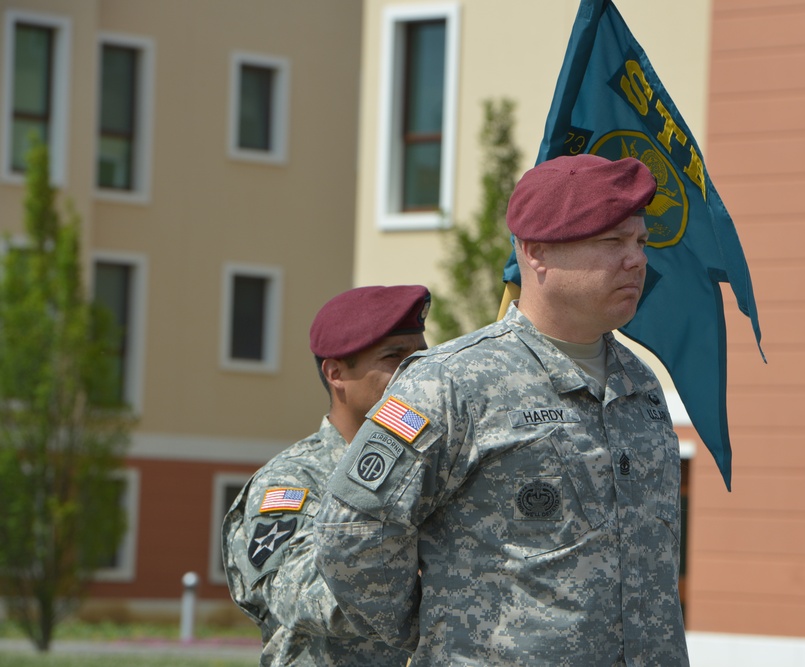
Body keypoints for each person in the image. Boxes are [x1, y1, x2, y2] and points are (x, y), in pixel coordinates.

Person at [314, 154, 689, 666]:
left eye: (640, 243)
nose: (637, 260)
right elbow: (353, 535)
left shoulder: (640, 384)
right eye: (612, 242)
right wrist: (439, 636)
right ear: (536, 252)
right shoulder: (451, 382)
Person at [222, 284, 430, 666]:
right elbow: (300, 594)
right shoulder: (291, 482)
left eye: (421, 355)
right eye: (394, 357)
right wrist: (433, 574)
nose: (416, 371)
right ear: (336, 373)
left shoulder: (434, 468)